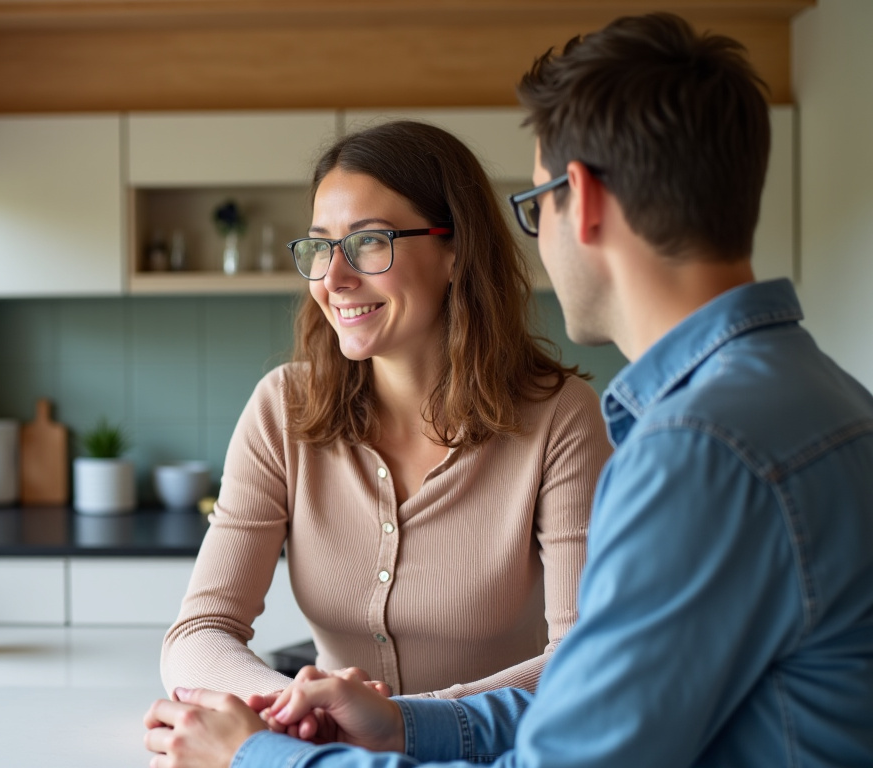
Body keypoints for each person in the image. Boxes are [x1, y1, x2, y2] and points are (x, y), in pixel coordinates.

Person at [143, 12, 873, 768]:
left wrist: (262, 758)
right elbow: (597, 703)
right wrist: (399, 725)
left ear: (579, 198)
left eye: (537, 203)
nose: (334, 276)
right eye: (321, 249)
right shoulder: (821, 401)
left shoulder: (700, 453)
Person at [160, 119, 612, 702]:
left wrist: (395, 725)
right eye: (320, 245)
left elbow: (589, 660)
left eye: (370, 241)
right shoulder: (283, 408)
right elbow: (199, 633)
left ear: (455, 252)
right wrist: (301, 712)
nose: (335, 278)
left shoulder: (562, 419)